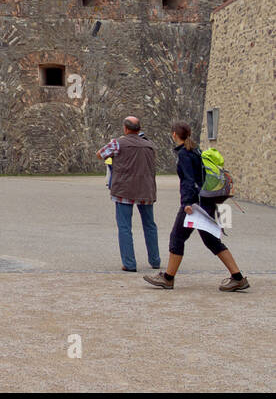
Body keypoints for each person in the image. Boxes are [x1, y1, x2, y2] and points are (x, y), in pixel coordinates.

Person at [145, 123, 249, 292]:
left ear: (174, 135)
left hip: (194, 203)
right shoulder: (196, 150)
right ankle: (237, 278)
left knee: (177, 237)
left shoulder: (184, 154)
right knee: (211, 241)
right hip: (205, 200)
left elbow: (188, 180)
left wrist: (186, 203)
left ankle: (168, 278)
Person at [98, 115, 160, 273]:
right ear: (139, 129)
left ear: (125, 129)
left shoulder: (118, 143)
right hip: (145, 189)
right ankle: (155, 259)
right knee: (150, 226)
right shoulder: (150, 145)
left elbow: (101, 154)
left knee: (125, 227)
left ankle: (129, 263)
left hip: (124, 189)